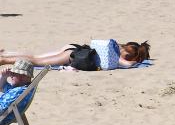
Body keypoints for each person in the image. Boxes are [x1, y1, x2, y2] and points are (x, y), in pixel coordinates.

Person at [0, 40, 151, 70]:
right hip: (73, 55)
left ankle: (6, 55)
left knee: (36, 57)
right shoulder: (118, 57)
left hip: (76, 47)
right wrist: (136, 61)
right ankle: (4, 59)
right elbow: (128, 64)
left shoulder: (114, 45)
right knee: (36, 62)